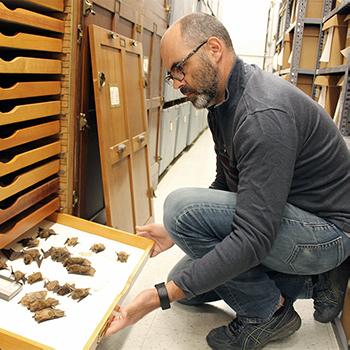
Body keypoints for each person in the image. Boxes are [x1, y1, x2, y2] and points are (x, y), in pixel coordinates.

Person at [105, 12, 350, 349]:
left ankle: (271, 313)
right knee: (186, 287)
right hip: (287, 215)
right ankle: (308, 280)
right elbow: (226, 182)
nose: (176, 82)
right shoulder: (222, 102)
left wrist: (154, 298)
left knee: (180, 211)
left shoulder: (262, 115)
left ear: (214, 48)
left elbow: (253, 237)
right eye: (170, 75)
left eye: (179, 68)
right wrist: (177, 234)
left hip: (325, 233)